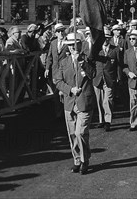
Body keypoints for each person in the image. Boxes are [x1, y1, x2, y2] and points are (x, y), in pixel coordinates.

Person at [53, 32, 96, 175]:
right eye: (69, 45)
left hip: (84, 101)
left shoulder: (87, 59)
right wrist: (70, 89)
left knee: (81, 132)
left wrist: (82, 64)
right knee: (72, 134)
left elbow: (92, 75)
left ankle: (85, 161)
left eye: (74, 45)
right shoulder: (63, 62)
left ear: (80, 44)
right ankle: (77, 159)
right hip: (69, 102)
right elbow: (58, 81)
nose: (71, 48)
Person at [92, 27, 120, 132]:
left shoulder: (115, 49)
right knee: (99, 100)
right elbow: (91, 63)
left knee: (107, 100)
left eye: (107, 38)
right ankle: (101, 120)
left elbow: (118, 64)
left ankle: (108, 121)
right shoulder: (96, 50)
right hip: (98, 78)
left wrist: (118, 77)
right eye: (104, 38)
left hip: (109, 78)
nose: (105, 40)